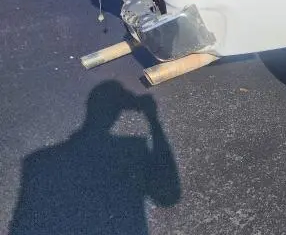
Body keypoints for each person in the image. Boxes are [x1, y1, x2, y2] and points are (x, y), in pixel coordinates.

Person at [9, 81, 180, 235]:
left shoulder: (39, 162)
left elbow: (22, 224)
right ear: (118, 113)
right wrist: (154, 122)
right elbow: (168, 195)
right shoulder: (131, 153)